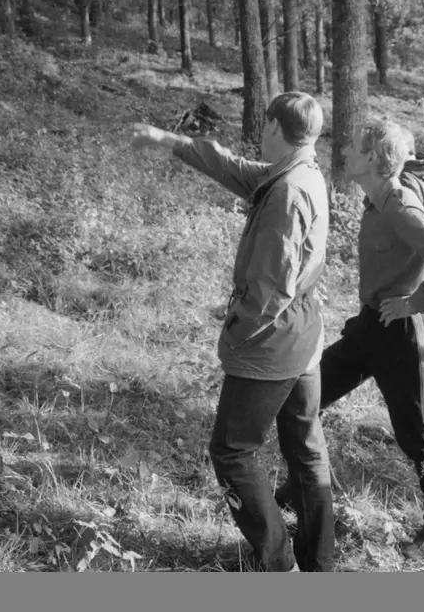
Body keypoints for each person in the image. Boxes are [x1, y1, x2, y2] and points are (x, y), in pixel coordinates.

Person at [131, 92, 334, 572]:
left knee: (233, 451)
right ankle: (318, 564)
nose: (260, 133)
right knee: (305, 451)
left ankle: (279, 565)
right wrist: (168, 140)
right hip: (301, 336)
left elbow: (269, 286)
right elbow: (234, 168)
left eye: (263, 125)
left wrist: (236, 335)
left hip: (272, 341)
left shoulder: (288, 192)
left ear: (273, 127)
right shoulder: (298, 172)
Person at [278, 119, 424, 561]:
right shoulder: (377, 198)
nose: (344, 152)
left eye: (352, 147)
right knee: (301, 399)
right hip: (370, 325)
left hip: (403, 333)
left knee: (418, 436)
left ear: (372, 158)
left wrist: (415, 302)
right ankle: (301, 486)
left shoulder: (400, 204)